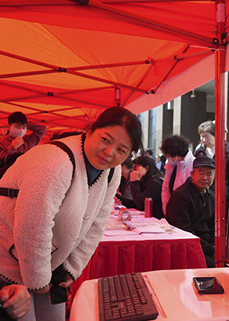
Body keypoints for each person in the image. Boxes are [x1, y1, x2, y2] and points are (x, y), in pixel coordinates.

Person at [0, 106, 143, 321]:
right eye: (105, 139)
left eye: (121, 150)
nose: (110, 152)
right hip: (8, 264)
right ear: (91, 129)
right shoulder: (55, 161)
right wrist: (39, 282)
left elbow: (97, 222)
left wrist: (70, 270)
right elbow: (33, 228)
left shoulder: (111, 171)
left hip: (49, 266)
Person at [165, 156, 216, 268]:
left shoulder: (211, 195)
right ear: (192, 174)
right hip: (189, 247)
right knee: (219, 268)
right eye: (201, 173)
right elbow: (184, 232)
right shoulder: (180, 196)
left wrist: (215, 247)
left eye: (209, 174)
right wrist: (212, 250)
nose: (205, 178)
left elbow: (214, 226)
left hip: (206, 245)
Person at [194, 120, 229, 215]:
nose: (203, 139)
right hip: (201, 198)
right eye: (201, 136)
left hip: (222, 200)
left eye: (206, 136)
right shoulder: (199, 152)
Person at [160, 135, 194, 215]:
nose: (168, 158)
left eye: (169, 156)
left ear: (177, 154)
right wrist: (166, 210)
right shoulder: (171, 166)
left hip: (187, 212)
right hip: (172, 211)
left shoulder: (193, 165)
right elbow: (165, 189)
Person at [125, 155, 164, 219]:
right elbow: (136, 203)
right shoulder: (144, 181)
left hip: (156, 220)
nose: (133, 171)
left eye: (135, 167)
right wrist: (121, 199)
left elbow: (142, 204)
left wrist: (134, 183)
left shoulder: (154, 183)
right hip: (146, 217)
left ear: (146, 168)